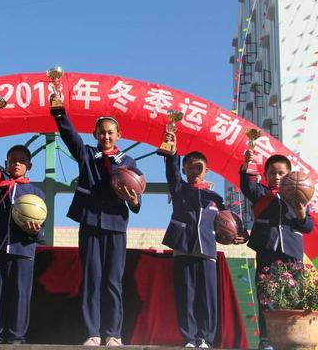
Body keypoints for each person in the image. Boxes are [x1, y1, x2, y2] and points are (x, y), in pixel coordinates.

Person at [52, 102, 142, 347]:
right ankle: (92, 332)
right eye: (101, 132)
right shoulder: (88, 154)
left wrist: (135, 201)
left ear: (118, 135)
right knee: (92, 279)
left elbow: (136, 191)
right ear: (95, 135)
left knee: (113, 281)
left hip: (115, 226)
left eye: (110, 132)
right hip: (90, 223)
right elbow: (70, 137)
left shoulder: (127, 160)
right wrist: (59, 112)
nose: (106, 136)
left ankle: (114, 333)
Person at [160, 132, 246, 349]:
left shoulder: (216, 199)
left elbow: (230, 223)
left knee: (208, 299)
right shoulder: (179, 189)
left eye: (199, 167)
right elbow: (171, 171)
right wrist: (172, 152)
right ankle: (189, 338)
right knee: (185, 297)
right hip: (184, 249)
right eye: (190, 167)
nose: (195, 170)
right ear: (184, 170)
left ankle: (206, 339)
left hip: (207, 253)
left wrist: (240, 234)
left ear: (207, 171)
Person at [0, 113, 45, 344]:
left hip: (24, 250)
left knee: (20, 296)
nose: (16, 163)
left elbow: (41, 230)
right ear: (6, 164)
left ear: (29, 166)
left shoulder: (37, 194)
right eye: (12, 159)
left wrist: (35, 231)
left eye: (21, 160)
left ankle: (16, 338)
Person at [240, 152, 314, 350]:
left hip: (293, 255)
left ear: (290, 175)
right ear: (265, 175)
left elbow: (308, 227)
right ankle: (266, 341)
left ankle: (292, 339)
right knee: (266, 299)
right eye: (272, 173)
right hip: (267, 253)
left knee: (295, 297)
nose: (277, 176)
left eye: (281, 173)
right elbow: (247, 185)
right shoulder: (261, 194)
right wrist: (248, 164)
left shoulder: (299, 196)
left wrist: (301, 215)